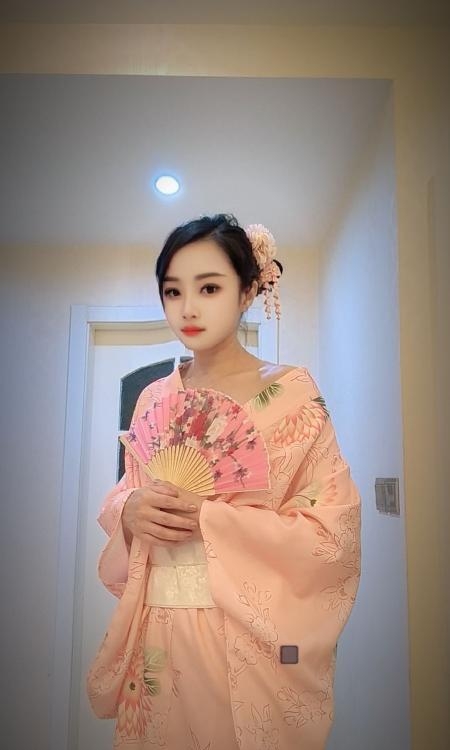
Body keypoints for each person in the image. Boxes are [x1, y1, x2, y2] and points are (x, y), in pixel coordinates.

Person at [87, 214, 361, 750]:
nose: (188, 308)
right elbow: (126, 494)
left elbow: (333, 530)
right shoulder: (152, 399)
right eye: (173, 291)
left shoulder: (293, 395)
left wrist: (211, 518)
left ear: (248, 291)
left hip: (244, 635)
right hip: (157, 633)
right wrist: (130, 509)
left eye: (209, 288)